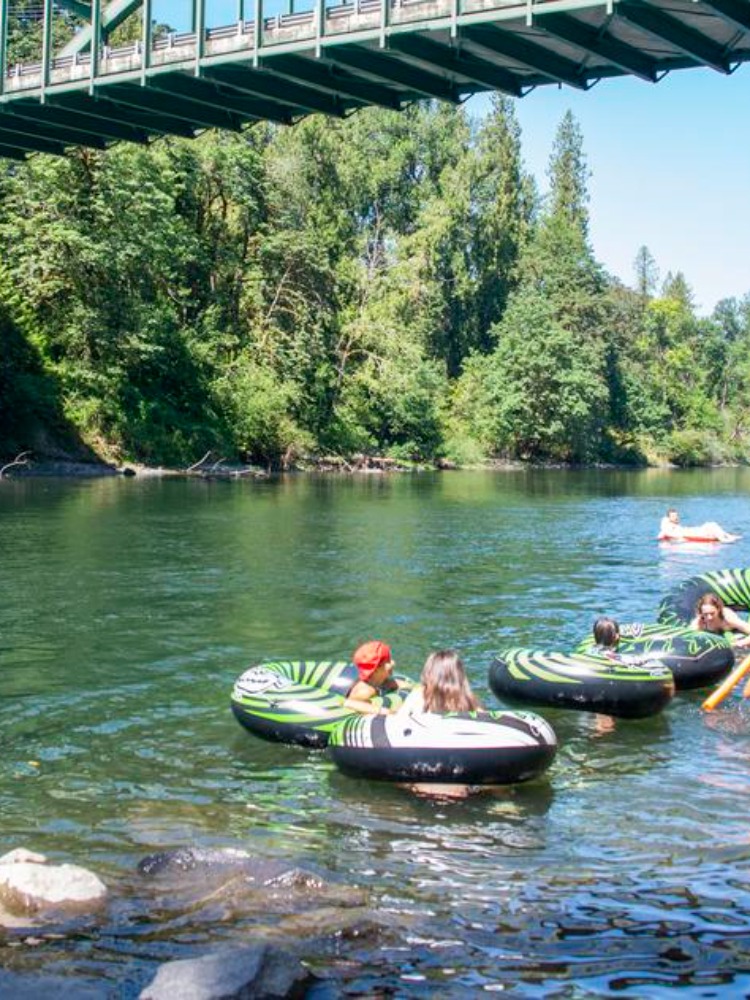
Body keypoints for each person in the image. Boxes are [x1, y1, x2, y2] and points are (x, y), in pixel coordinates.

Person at [399, 649, 481, 715]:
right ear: (460, 676)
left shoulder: (419, 696)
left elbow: (399, 721)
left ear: (429, 674)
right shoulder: (469, 701)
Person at [345, 640, 401, 716]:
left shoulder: (381, 681)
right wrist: (385, 712)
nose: (393, 663)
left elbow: (405, 686)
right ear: (376, 670)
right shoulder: (365, 691)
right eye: (388, 661)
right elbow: (348, 703)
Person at [659, 508, 740, 544]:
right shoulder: (669, 527)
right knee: (711, 525)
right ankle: (724, 539)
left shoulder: (675, 525)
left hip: (691, 530)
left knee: (711, 524)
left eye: (676, 515)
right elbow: (664, 534)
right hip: (690, 533)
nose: (676, 517)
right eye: (673, 516)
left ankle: (728, 536)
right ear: (669, 518)